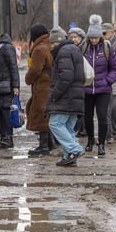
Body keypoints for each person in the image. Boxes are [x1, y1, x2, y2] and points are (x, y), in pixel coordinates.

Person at [46, 26, 86, 166]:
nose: (51, 46)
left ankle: (74, 149)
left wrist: (55, 95)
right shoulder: (74, 49)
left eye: (52, 43)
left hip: (66, 97)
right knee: (68, 128)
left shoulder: (63, 52)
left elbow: (66, 77)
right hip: (76, 95)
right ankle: (68, 156)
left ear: (57, 41)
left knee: (55, 123)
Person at [81, 16, 116, 156]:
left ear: (100, 37)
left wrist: (108, 81)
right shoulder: (83, 48)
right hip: (87, 88)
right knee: (87, 117)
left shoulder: (107, 48)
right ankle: (91, 140)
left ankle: (102, 143)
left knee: (102, 116)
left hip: (103, 89)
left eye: (96, 38)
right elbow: (78, 65)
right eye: (91, 38)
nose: (94, 40)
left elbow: (115, 68)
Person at [25, 24, 54, 155]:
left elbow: (35, 69)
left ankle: (44, 146)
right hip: (49, 84)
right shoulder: (49, 45)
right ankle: (49, 143)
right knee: (46, 114)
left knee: (41, 114)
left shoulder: (39, 50)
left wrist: (28, 79)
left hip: (42, 86)